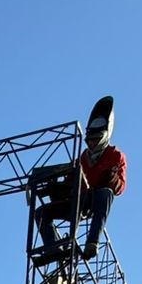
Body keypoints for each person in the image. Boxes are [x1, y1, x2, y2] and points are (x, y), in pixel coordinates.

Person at [37, 97, 127, 262]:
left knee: (105, 194)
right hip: (79, 200)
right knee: (42, 213)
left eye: (95, 139)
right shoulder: (83, 158)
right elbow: (71, 181)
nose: (92, 143)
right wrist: (57, 187)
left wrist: (112, 180)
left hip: (95, 200)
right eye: (90, 140)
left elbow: (120, 188)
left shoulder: (115, 155)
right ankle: (52, 247)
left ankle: (92, 242)